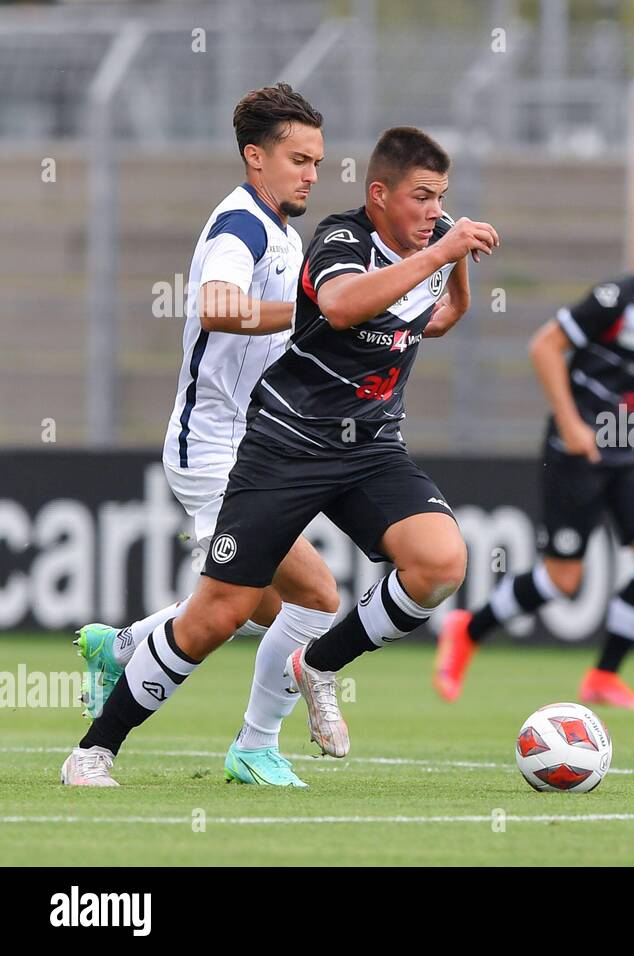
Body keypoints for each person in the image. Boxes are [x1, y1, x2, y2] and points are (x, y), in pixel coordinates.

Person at [60, 126, 500, 786]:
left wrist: (451, 257)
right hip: (279, 447)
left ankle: (308, 675)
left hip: (369, 449)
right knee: (227, 611)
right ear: (379, 195)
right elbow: (337, 304)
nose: (435, 210)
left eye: (442, 198)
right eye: (423, 197)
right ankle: (96, 746)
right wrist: (434, 253)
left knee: (437, 562)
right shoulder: (335, 240)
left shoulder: (388, 244)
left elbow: (437, 318)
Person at [74, 83, 340, 788]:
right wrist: (307, 315)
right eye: (298, 158)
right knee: (312, 598)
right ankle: (110, 751)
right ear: (256, 158)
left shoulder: (283, 230)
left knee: (261, 605)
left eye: (317, 160)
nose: (312, 172)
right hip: (213, 447)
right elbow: (219, 306)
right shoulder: (241, 226)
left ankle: (123, 647)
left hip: (254, 448)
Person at [435, 216, 634, 709]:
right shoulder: (617, 298)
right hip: (579, 449)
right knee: (562, 579)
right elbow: (545, 346)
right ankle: (469, 628)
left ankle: (602, 675)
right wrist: (571, 423)